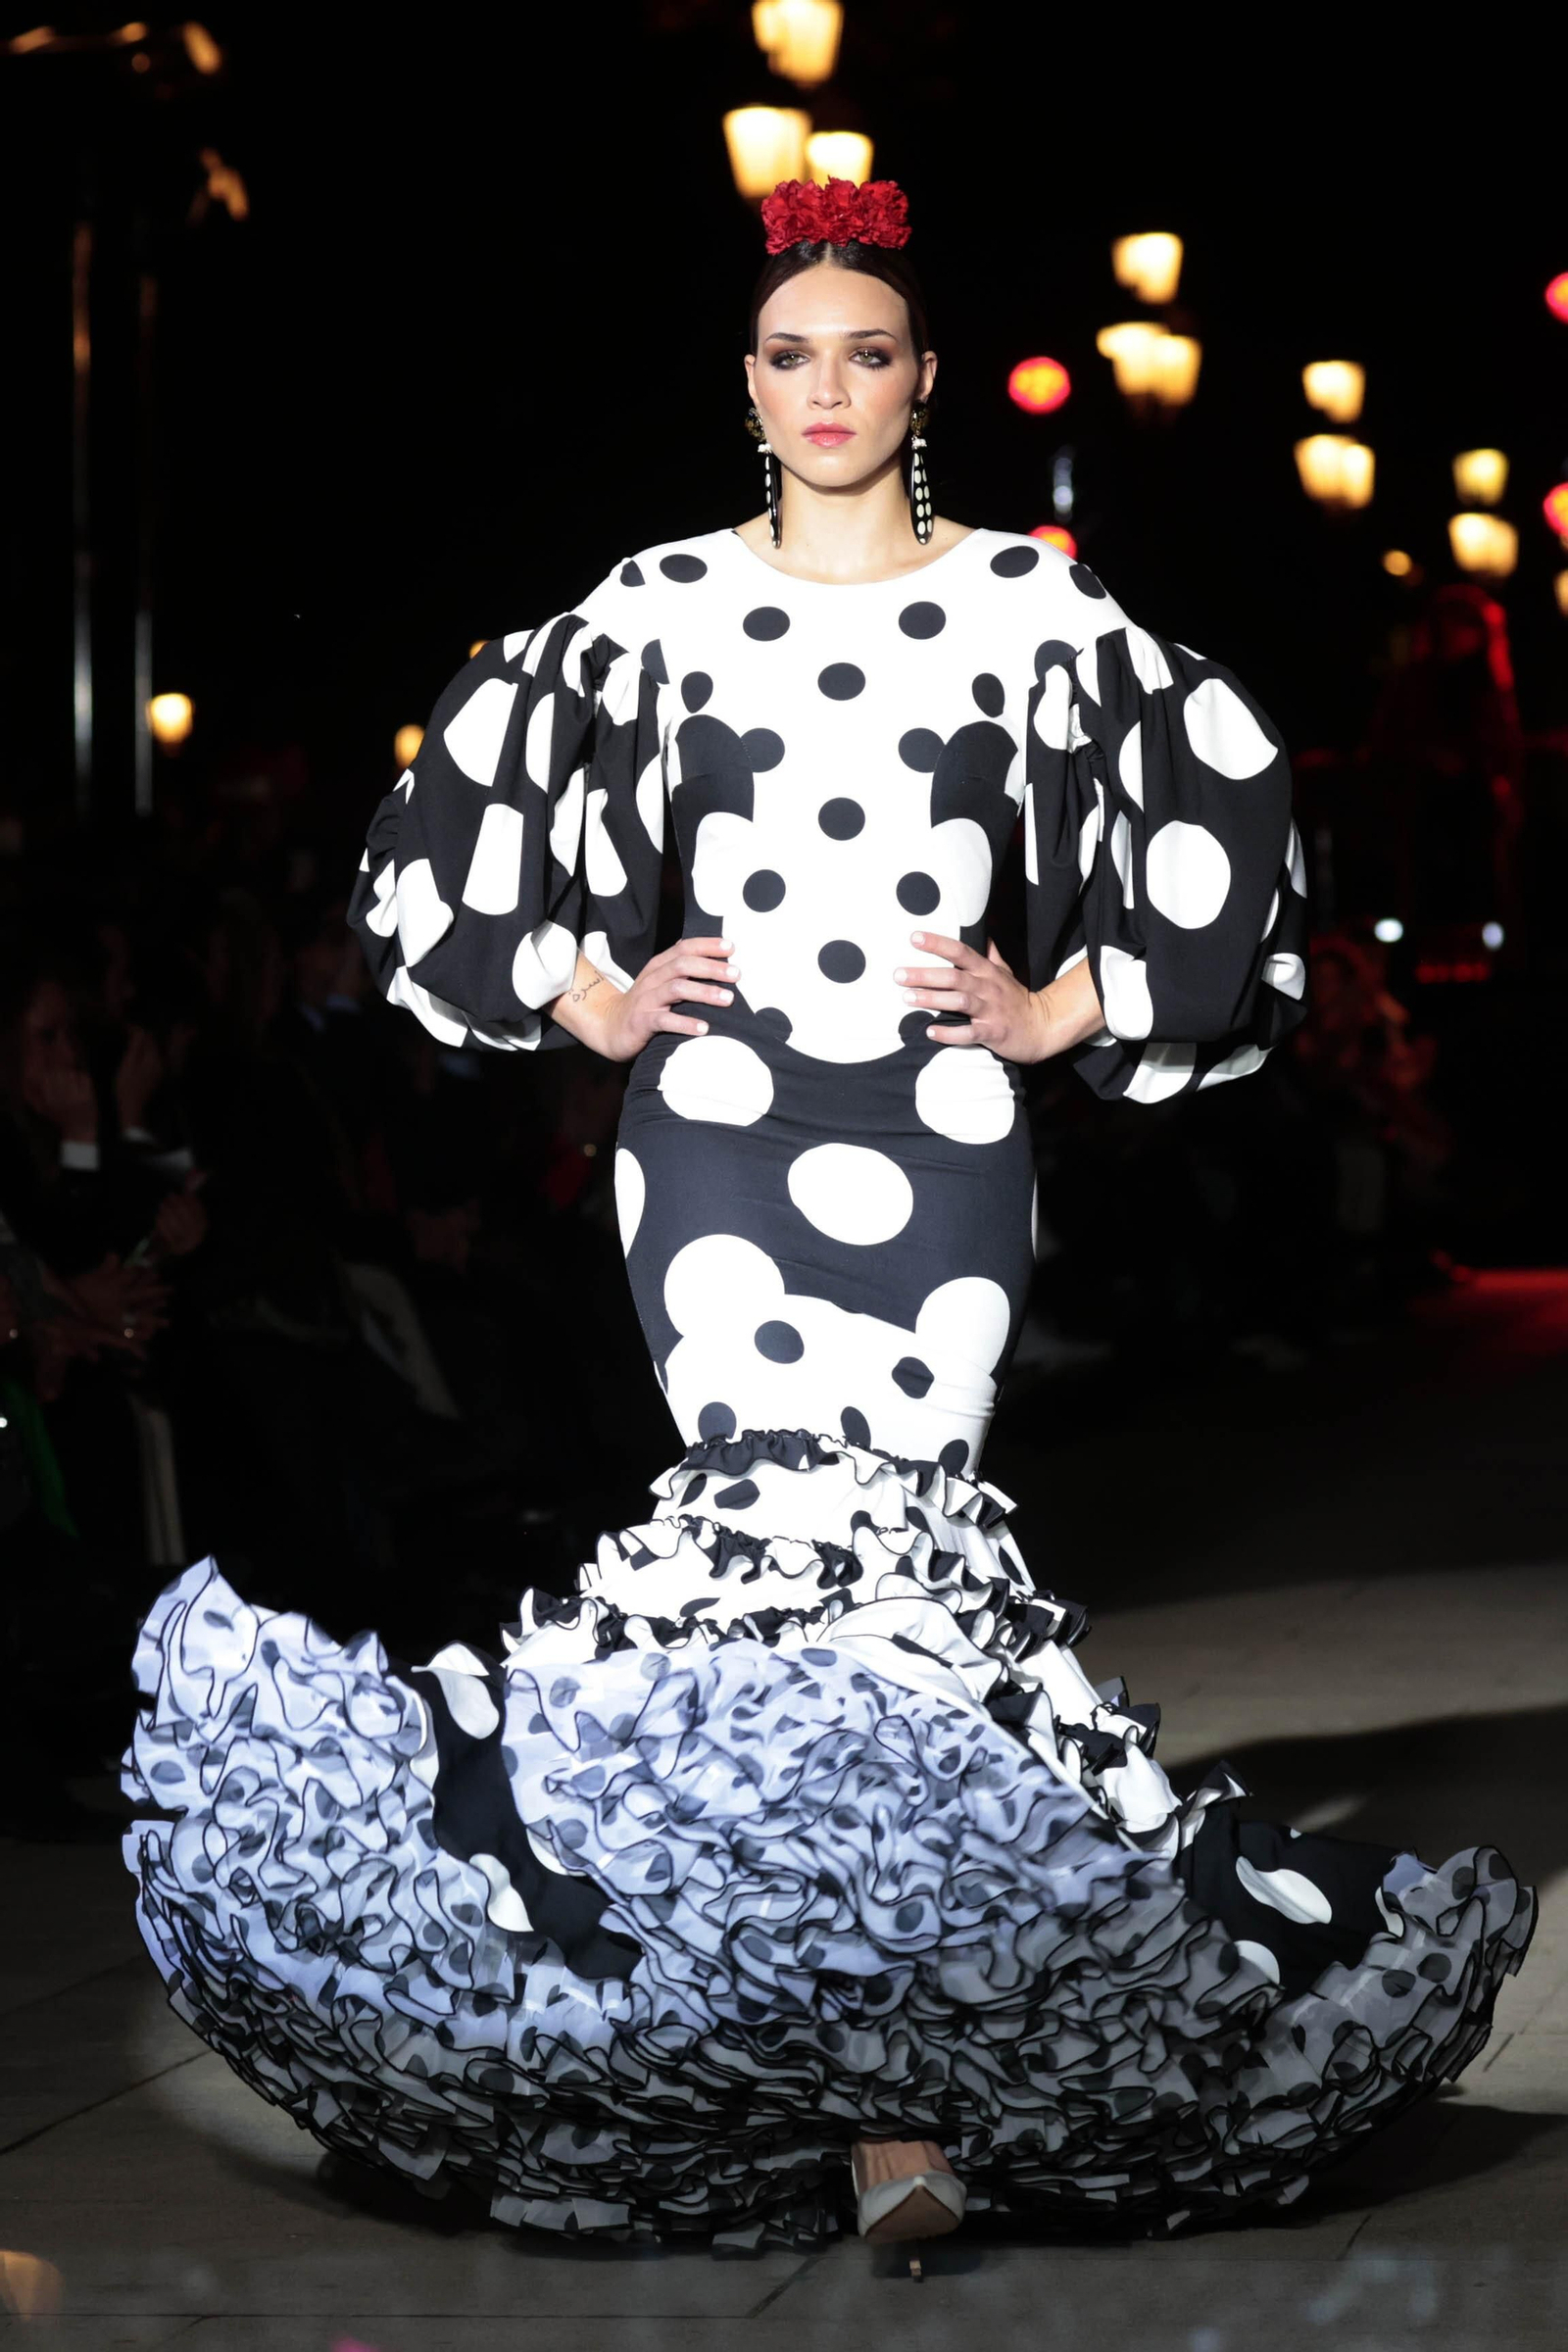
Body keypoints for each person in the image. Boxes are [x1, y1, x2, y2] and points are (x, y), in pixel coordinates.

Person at [123, 177, 1532, 2261]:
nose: (828, 389)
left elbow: (1221, 791)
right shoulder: (660, 602)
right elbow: (458, 796)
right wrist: (583, 994)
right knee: (766, 1561)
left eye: (865, 353)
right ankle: (854, 2092)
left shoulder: (1027, 603)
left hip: (944, 1128)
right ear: (750, 381)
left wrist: (1063, 1006)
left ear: (922, 377)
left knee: (894, 1570)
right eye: (793, 355)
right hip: (709, 1122)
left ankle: (860, 2070)